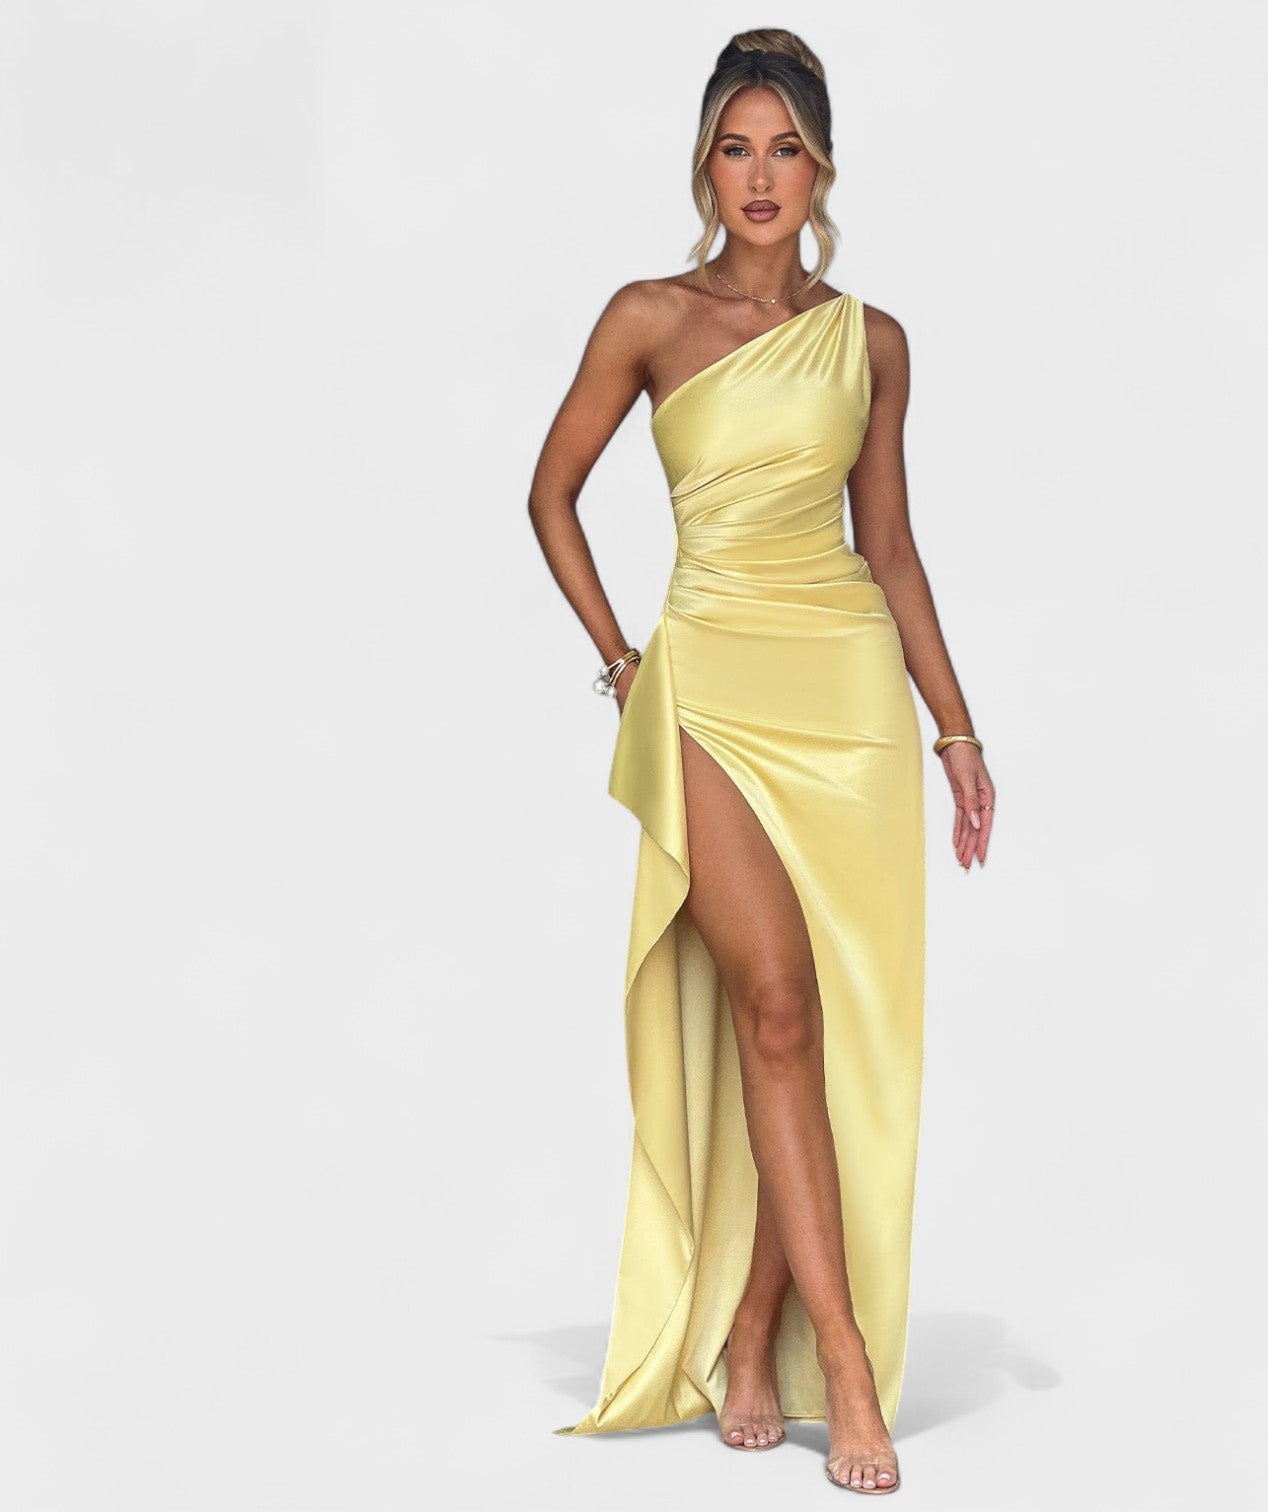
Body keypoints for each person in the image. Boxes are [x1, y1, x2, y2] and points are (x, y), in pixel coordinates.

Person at [528, 28, 994, 1496]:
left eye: (786, 148)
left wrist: (957, 728)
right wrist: (625, 667)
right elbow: (550, 496)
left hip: (845, 690)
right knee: (776, 1004)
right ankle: (841, 1362)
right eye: (736, 148)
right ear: (704, 164)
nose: (760, 175)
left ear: (824, 168)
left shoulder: (873, 343)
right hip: (709, 687)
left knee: (828, 1023)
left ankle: (751, 1329)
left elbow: (892, 550)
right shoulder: (649, 317)